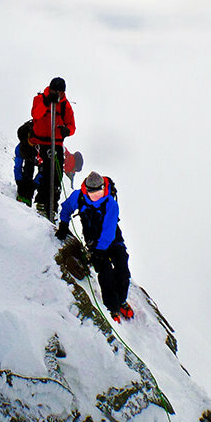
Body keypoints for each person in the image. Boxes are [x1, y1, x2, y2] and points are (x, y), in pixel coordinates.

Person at [56, 171, 134, 323]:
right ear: (87, 190)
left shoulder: (110, 203)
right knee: (105, 273)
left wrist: (100, 249)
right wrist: (63, 223)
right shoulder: (78, 197)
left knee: (122, 268)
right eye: (94, 194)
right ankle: (112, 307)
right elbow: (66, 208)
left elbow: (109, 230)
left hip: (112, 240)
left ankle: (122, 300)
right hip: (93, 242)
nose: (97, 197)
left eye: (100, 193)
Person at [29, 77, 75, 217]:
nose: (58, 94)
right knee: (45, 172)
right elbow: (35, 114)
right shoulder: (40, 99)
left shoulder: (65, 105)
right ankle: (42, 203)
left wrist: (67, 131)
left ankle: (53, 206)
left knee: (57, 174)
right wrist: (46, 102)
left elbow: (72, 126)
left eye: (60, 92)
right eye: (55, 91)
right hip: (41, 142)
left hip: (57, 143)